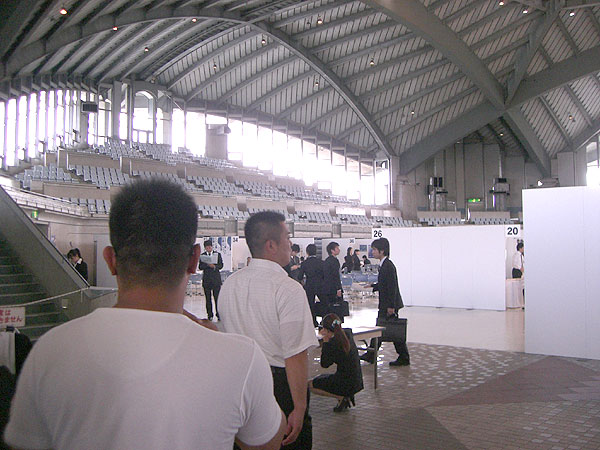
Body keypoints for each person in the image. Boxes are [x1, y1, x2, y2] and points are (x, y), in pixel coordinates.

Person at [4, 179, 286, 450]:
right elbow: (269, 442)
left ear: (110, 260)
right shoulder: (240, 358)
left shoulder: (49, 351)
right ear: (194, 259)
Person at [219, 211, 319, 450]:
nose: (291, 244)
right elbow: (295, 354)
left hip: (239, 383)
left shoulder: (230, 284)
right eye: (287, 237)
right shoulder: (288, 289)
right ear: (271, 245)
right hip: (278, 386)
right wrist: (299, 407)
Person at [360, 237, 410, 367]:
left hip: (389, 305)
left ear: (382, 251)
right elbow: (384, 284)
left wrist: (391, 307)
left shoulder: (388, 266)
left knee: (390, 329)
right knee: (384, 328)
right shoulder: (384, 265)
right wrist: (373, 286)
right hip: (387, 304)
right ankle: (372, 354)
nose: (372, 252)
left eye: (374, 250)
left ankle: (403, 356)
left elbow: (392, 287)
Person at [310, 313, 363, 413]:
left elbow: (324, 364)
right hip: (357, 381)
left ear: (326, 330)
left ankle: (341, 397)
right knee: (322, 377)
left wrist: (326, 342)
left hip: (346, 383)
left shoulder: (333, 344)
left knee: (310, 384)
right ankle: (344, 397)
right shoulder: (348, 333)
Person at [298, 243, 324, 327]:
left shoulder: (304, 263)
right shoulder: (321, 262)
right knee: (324, 303)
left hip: (309, 286)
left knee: (310, 304)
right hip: (320, 285)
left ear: (307, 252)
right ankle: (324, 320)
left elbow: (300, 276)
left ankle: (313, 321)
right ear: (316, 252)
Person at [198, 239, 223, 321]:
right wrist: (207, 265)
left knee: (217, 298)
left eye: (210, 247)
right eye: (207, 247)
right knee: (208, 299)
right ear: (205, 248)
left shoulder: (217, 255)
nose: (209, 248)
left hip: (216, 280)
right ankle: (210, 315)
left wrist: (214, 266)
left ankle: (218, 314)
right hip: (207, 280)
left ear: (212, 247)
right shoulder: (203, 256)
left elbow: (221, 265)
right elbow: (200, 267)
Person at [322, 242, 343, 317]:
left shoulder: (326, 260)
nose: (339, 250)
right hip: (333, 288)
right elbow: (335, 276)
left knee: (329, 307)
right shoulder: (334, 261)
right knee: (336, 308)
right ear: (332, 250)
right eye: (337, 248)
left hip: (327, 288)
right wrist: (338, 288)